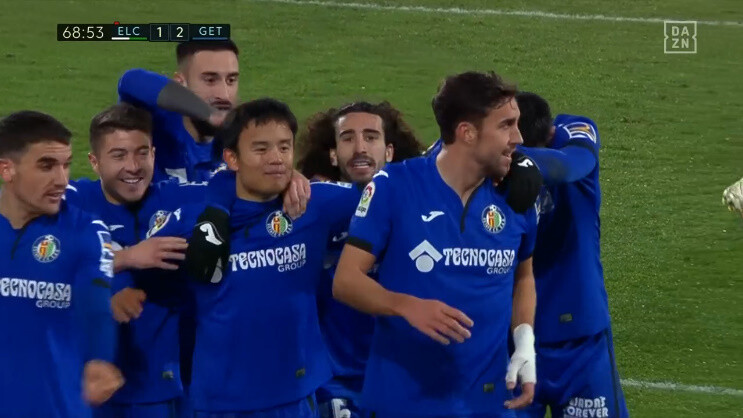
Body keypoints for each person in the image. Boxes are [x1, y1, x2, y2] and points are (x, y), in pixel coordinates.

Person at [333, 71, 538, 417]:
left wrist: (524, 343)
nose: (518, 137)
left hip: (489, 402)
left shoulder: (517, 196)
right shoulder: (395, 187)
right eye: (506, 125)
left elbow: (524, 276)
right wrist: (405, 305)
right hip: (403, 402)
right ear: (467, 132)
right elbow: (346, 280)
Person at [153, 98, 363, 417]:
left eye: (284, 147)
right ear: (232, 158)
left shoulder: (315, 204)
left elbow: (387, 197)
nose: (276, 158)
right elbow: (141, 272)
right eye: (261, 149)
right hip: (221, 404)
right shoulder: (194, 219)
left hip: (295, 398)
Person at [65, 103, 205, 417]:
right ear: (95, 162)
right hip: (92, 392)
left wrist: (290, 179)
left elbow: (240, 187)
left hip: (168, 386)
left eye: (142, 153)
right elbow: (44, 260)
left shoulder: (176, 196)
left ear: (154, 154)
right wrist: (128, 258)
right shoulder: (73, 201)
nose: (133, 166)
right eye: (119, 155)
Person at [297, 101, 425, 417]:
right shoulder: (312, 204)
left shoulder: (419, 203)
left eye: (370, 137)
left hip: (401, 376)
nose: (360, 148)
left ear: (390, 151)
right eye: (347, 138)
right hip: (337, 381)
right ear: (332, 154)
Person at [513, 92, 629, 418]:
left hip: (580, 341)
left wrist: (495, 153)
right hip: (512, 339)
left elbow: (567, 166)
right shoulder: (484, 157)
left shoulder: (573, 132)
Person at [0, 110, 123, 417]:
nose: (61, 180)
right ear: (7, 169)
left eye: (66, 165)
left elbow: (95, 298)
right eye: (47, 166)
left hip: (57, 409)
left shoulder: (84, 230)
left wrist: (99, 357)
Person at [118, 40, 240, 183]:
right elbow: (131, 81)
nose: (224, 94)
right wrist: (208, 113)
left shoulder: (240, 141)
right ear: (180, 83)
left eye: (231, 80)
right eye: (210, 80)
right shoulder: (159, 122)